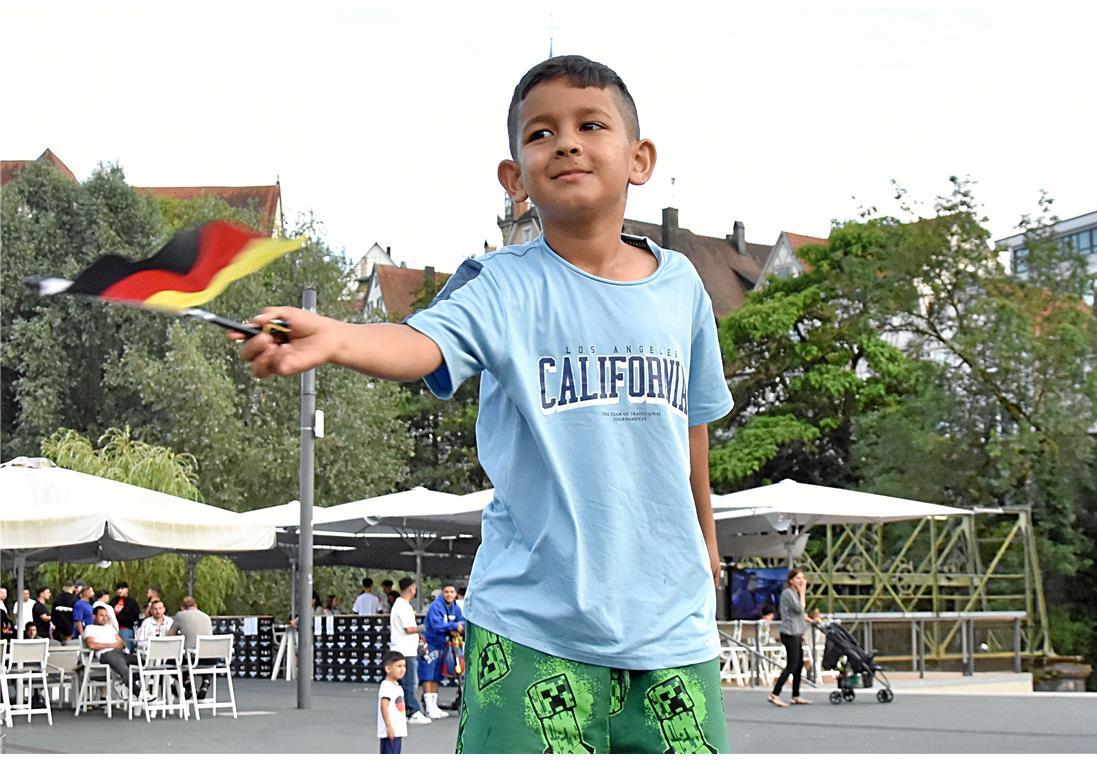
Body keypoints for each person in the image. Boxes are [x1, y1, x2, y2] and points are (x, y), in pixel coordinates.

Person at [233, 54, 732, 753]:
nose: (566, 142)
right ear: (513, 178)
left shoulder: (681, 288)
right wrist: (338, 338)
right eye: (540, 134)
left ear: (639, 159)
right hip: (533, 626)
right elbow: (419, 343)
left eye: (590, 125)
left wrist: (707, 543)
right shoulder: (501, 286)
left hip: (672, 631)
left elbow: (693, 431)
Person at [768, 568, 821, 707]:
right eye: (798, 578)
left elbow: (800, 614)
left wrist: (811, 620)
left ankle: (795, 695)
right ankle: (775, 694)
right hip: (789, 633)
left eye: (802, 577)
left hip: (797, 633)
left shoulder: (794, 594)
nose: (801, 580)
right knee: (791, 665)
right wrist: (803, 592)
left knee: (798, 665)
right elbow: (799, 608)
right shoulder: (788, 594)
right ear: (791, 580)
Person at [418, 582, 465, 719]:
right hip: (430, 643)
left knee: (437, 675)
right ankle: (428, 707)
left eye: (452, 592)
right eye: (446, 592)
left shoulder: (456, 607)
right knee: (428, 674)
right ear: (442, 593)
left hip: (442, 644)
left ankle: (434, 705)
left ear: (456, 594)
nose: (449, 594)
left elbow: (463, 621)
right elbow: (437, 625)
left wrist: (459, 625)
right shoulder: (436, 606)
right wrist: (455, 625)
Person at [83, 605, 149, 701]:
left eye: (106, 615)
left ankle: (123, 682)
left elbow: (121, 643)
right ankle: (140, 693)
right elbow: (92, 645)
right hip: (106, 654)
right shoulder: (90, 628)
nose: (104, 618)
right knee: (125, 670)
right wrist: (112, 645)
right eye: (101, 615)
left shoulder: (110, 628)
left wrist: (112, 645)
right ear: (94, 616)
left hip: (120, 653)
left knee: (146, 663)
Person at [389, 578, 429, 725]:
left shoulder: (400, 605)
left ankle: (404, 711)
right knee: (410, 683)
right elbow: (409, 628)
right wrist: (425, 627)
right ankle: (414, 711)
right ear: (411, 589)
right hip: (405, 651)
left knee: (404, 683)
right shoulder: (403, 606)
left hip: (403, 649)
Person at [169, 596, 214, 700]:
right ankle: (205, 683)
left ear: (182, 607)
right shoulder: (206, 617)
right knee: (203, 653)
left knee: (171, 663)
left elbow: (170, 635)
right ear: (196, 606)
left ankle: (188, 685)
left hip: (192, 659)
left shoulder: (180, 615)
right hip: (211, 659)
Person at [377, 650, 409, 754]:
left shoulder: (397, 686)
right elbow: (384, 705)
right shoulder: (386, 686)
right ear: (388, 669)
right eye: (399, 666)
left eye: (404, 666)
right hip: (391, 731)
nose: (402, 669)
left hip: (398, 730)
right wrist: (388, 726)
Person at [113, 581, 141, 652]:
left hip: (126, 628)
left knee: (126, 649)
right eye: (118, 589)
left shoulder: (132, 602)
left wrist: (121, 619)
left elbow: (135, 616)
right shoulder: (113, 601)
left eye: (122, 588)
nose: (120, 590)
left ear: (127, 589)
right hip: (113, 629)